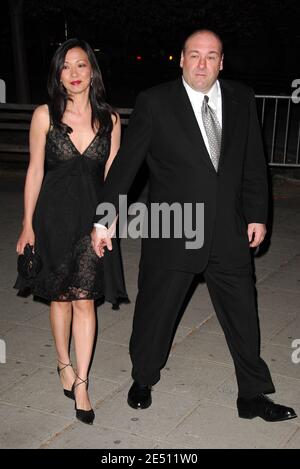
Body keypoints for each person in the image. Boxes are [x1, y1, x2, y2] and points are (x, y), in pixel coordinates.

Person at [92, 30, 297, 422]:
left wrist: (257, 214)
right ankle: (143, 377)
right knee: (156, 311)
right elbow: (126, 167)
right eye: (195, 55)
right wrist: (105, 218)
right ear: (181, 59)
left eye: (211, 56)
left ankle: (252, 394)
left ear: (222, 62)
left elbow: (254, 162)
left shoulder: (241, 98)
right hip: (174, 228)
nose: (202, 63)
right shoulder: (155, 102)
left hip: (229, 231)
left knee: (243, 314)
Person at [14, 38, 128, 425]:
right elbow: (34, 171)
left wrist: (109, 223)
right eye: (66, 67)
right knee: (60, 298)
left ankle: (82, 382)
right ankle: (62, 361)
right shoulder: (45, 115)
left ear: (92, 70)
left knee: (85, 301)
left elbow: (114, 177)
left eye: (81, 65)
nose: (75, 74)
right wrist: (27, 225)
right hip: (52, 218)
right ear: (58, 74)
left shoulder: (110, 119)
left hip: (92, 222)